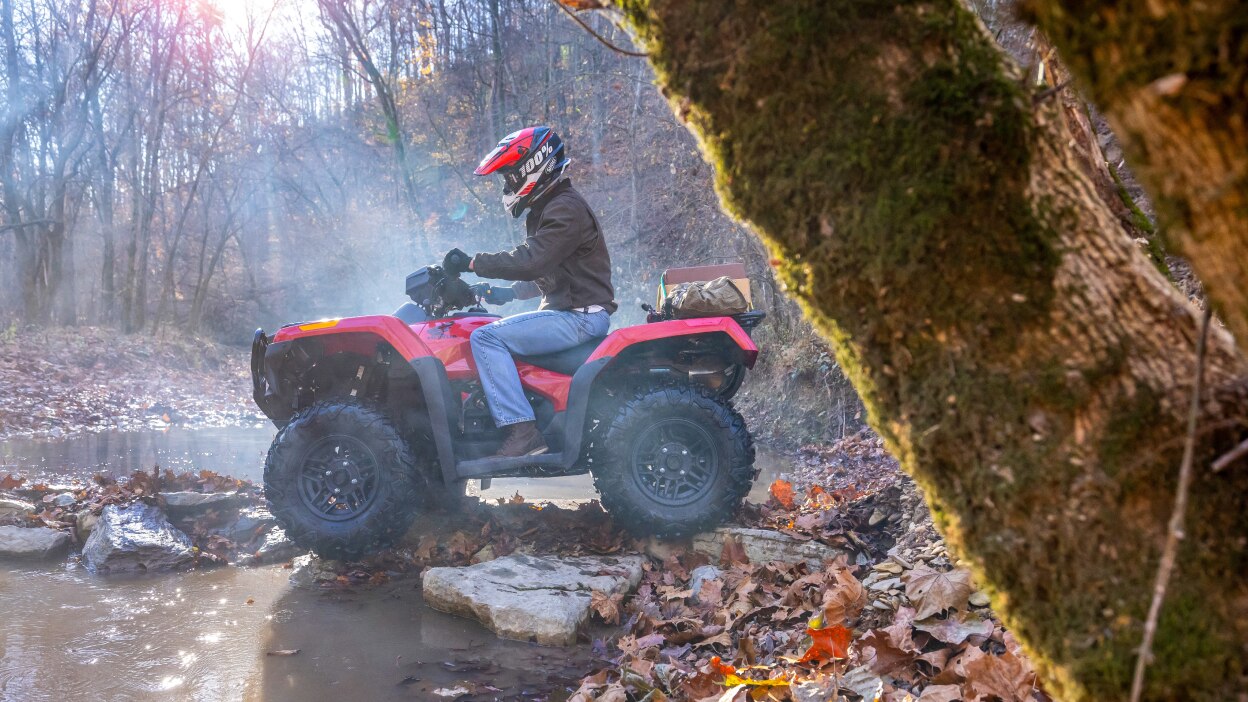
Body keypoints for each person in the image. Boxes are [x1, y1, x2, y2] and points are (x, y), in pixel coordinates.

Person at [441, 126, 616, 458]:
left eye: (510, 175)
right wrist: (503, 294)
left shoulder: (564, 209)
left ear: (534, 166)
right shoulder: (552, 207)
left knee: (485, 338)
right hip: (572, 311)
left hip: (578, 317)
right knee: (486, 330)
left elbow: (532, 261)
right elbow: (552, 272)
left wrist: (472, 263)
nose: (508, 185)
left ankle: (522, 430)